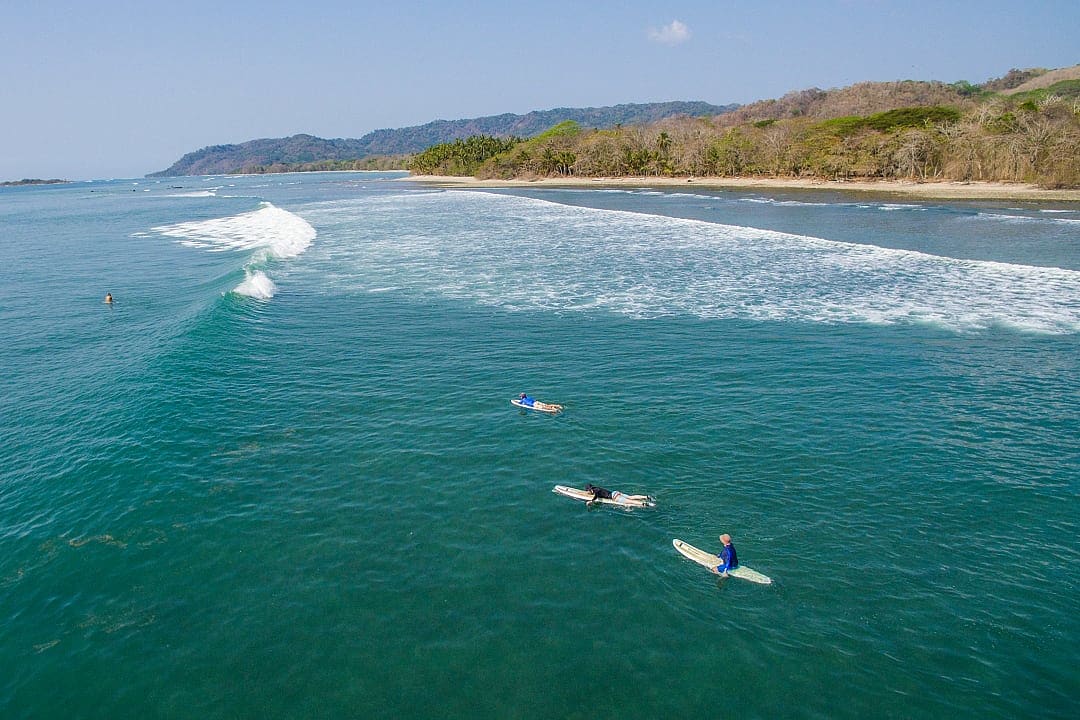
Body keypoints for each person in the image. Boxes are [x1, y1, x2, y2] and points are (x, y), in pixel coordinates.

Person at [583, 483, 654, 508]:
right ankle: (646, 497)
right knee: (630, 497)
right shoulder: (596, 488)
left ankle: (644, 503)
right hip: (616, 492)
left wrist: (590, 502)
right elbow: (596, 493)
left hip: (614, 497)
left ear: (589, 489)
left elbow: (596, 496)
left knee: (630, 501)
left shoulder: (595, 491)